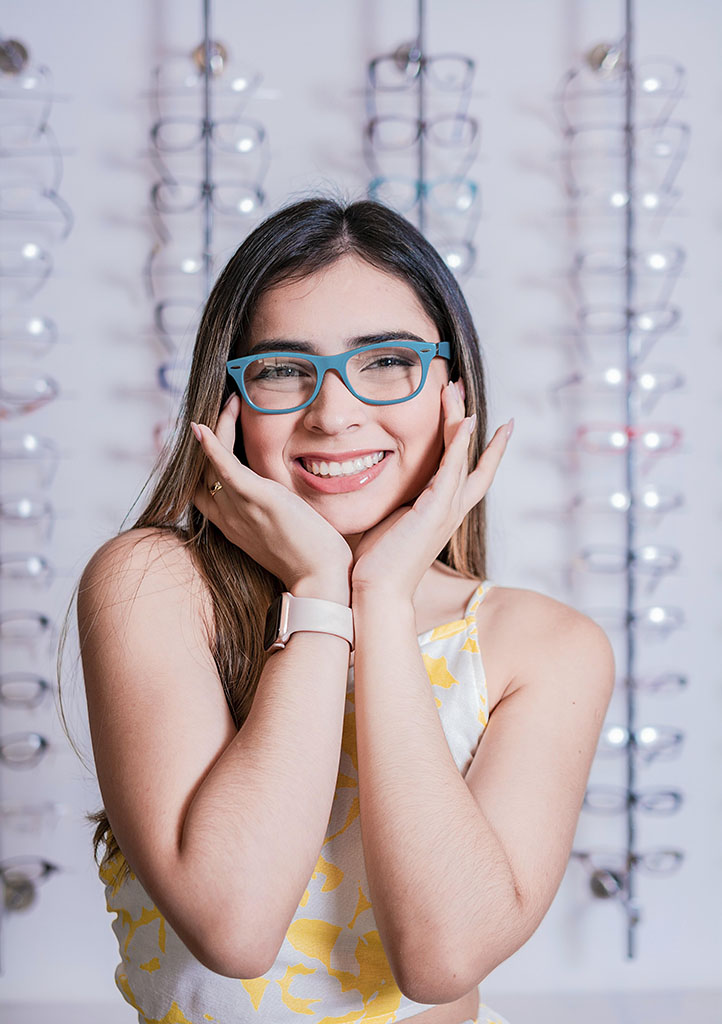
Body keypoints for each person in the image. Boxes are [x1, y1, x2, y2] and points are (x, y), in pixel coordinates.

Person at [66, 196, 614, 1024]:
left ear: (452, 393)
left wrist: (383, 602)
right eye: (284, 370)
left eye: (386, 360)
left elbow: (441, 958)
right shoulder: (153, 585)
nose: (334, 413)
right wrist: (322, 593)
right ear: (229, 405)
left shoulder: (542, 648)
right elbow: (235, 926)